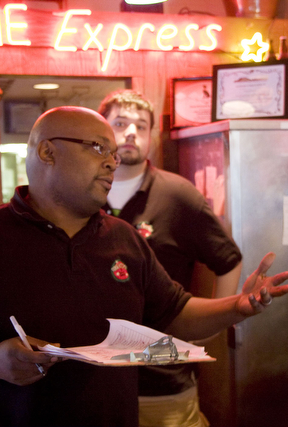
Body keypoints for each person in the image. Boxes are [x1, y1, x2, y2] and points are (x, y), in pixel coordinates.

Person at [0, 106, 288, 427]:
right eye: (98, 148)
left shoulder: (124, 239)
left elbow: (176, 314)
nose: (111, 164)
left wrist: (236, 306)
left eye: (114, 155)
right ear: (48, 152)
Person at [98, 89, 242, 427]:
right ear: (101, 131)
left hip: (163, 382)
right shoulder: (81, 195)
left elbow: (229, 260)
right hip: (92, 380)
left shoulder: (178, 196)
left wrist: (212, 328)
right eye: (120, 123)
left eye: (141, 126)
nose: (131, 132)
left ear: (151, 137)